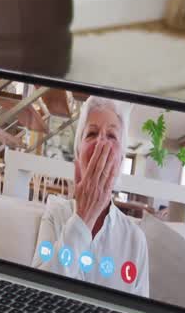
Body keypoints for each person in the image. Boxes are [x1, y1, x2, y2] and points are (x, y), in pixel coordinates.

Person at [31, 96, 150, 297]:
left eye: (111, 135)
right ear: (78, 156)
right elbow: (37, 295)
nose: (101, 142)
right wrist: (83, 218)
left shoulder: (135, 240)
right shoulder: (55, 214)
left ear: (121, 161)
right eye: (92, 133)